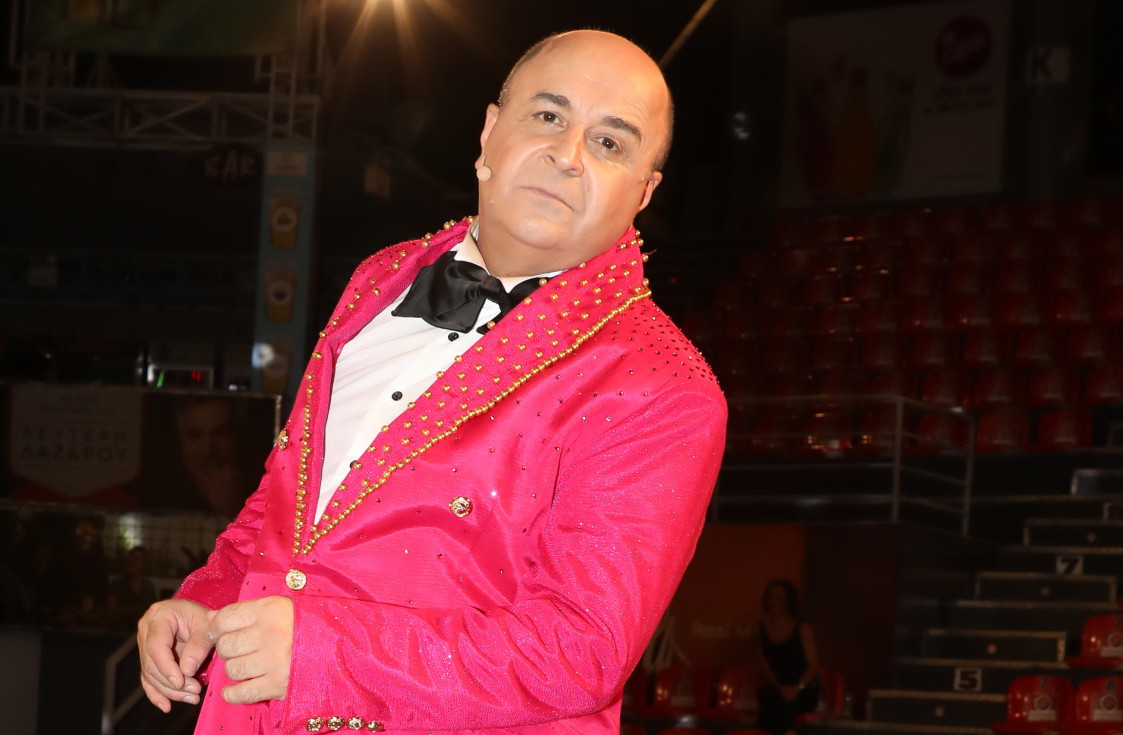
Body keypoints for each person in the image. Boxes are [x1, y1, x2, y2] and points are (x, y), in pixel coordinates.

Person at [136, 29, 727, 735]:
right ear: (488, 132)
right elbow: (287, 504)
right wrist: (207, 601)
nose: (568, 155)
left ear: (644, 190)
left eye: (609, 142)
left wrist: (325, 653)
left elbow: (580, 652)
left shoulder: (666, 388)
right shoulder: (382, 276)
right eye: (548, 115)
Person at [757, 579, 821, 735]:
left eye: (779, 597)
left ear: (788, 601)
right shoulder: (761, 628)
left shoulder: (802, 627)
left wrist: (796, 688)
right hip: (778, 687)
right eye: (770, 596)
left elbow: (813, 666)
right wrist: (781, 688)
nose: (773, 601)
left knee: (785, 705)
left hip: (802, 687)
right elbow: (765, 667)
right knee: (768, 695)